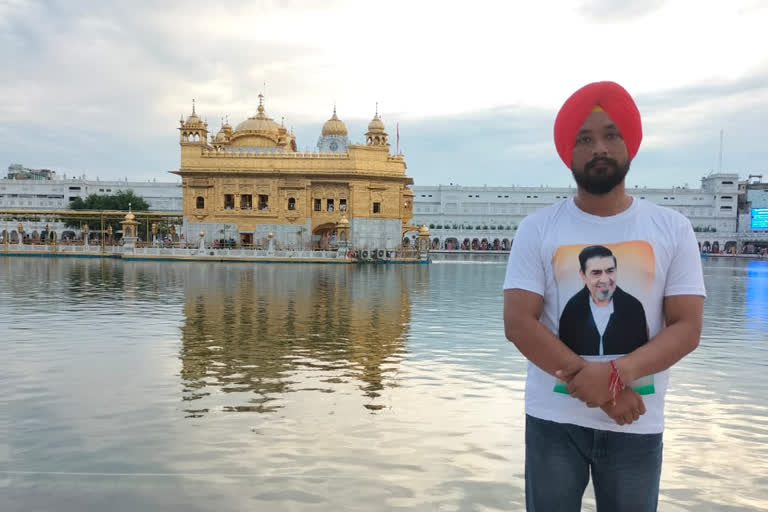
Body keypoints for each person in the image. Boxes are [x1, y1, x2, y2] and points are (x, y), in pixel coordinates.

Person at [503, 81, 705, 512]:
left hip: (638, 423)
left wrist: (616, 377)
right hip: (554, 423)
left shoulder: (671, 229)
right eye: (585, 138)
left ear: (628, 144)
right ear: (568, 153)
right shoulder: (538, 229)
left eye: (611, 135)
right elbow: (519, 323)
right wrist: (607, 390)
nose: (600, 148)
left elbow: (687, 327)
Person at [559, 245, 649, 356]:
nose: (605, 280)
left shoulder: (633, 308)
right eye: (596, 273)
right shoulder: (572, 309)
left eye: (610, 271)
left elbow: (643, 355)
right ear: (582, 274)